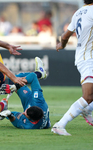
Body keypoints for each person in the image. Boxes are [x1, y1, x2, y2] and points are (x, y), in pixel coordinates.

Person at [51, 0, 93, 136]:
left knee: (89, 97)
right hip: (89, 59)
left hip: (83, 56)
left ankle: (88, 109)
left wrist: (61, 45)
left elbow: (65, 36)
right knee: (87, 96)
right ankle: (60, 125)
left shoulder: (78, 13)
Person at [0, 57, 50, 129]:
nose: (23, 113)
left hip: (30, 103)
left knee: (13, 79)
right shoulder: (38, 101)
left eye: (25, 114)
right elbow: (33, 77)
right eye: (25, 112)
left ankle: (2, 107)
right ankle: (40, 73)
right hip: (31, 100)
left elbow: (17, 122)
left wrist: (9, 115)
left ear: (31, 119)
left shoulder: (29, 126)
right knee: (14, 80)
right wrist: (16, 86)